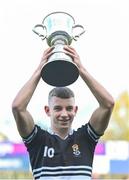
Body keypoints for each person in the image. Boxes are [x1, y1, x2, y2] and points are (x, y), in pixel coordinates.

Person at [12, 46, 114, 180]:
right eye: (58, 108)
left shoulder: (86, 138)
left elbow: (108, 104)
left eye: (69, 108)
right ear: (47, 111)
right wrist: (40, 70)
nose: (64, 114)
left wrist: (81, 69)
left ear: (75, 110)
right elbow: (18, 107)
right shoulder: (38, 140)